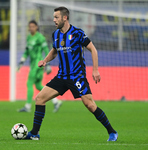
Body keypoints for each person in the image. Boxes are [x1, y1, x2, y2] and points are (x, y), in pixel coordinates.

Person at [25, 7, 118, 141]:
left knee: (90, 105)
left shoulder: (78, 33)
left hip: (77, 77)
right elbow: (54, 50)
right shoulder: (55, 34)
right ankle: (34, 133)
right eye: (54, 17)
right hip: (61, 77)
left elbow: (93, 49)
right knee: (40, 99)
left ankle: (112, 132)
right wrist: (45, 60)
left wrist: (95, 70)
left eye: (56, 17)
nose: (54, 20)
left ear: (65, 18)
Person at [17, 20, 62, 113]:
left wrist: (48, 64)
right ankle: (56, 101)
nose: (31, 28)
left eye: (33, 26)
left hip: (38, 64)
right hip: (33, 64)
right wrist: (21, 61)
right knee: (38, 85)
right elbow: (26, 51)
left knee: (29, 83)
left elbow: (46, 50)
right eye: (30, 26)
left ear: (36, 27)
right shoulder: (29, 37)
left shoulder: (40, 38)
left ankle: (27, 106)